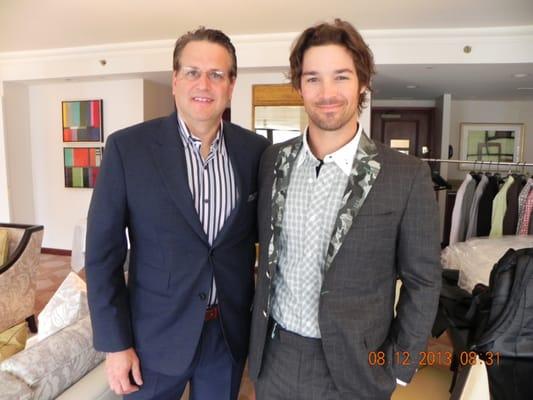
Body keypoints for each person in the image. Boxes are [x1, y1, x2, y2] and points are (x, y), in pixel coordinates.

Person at [248, 19, 441, 400]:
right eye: (313, 78)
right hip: (275, 359)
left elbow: (423, 281)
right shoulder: (273, 161)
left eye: (341, 77)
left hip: (358, 367)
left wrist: (400, 366)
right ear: (299, 86)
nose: (327, 93)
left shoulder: (406, 174)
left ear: (362, 82)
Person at [85, 27, 269, 400]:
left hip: (226, 336)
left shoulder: (255, 152)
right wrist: (115, 345)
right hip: (152, 340)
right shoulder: (127, 148)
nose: (204, 83)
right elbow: (102, 256)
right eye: (192, 72)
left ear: (231, 85)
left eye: (217, 74)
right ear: (174, 80)